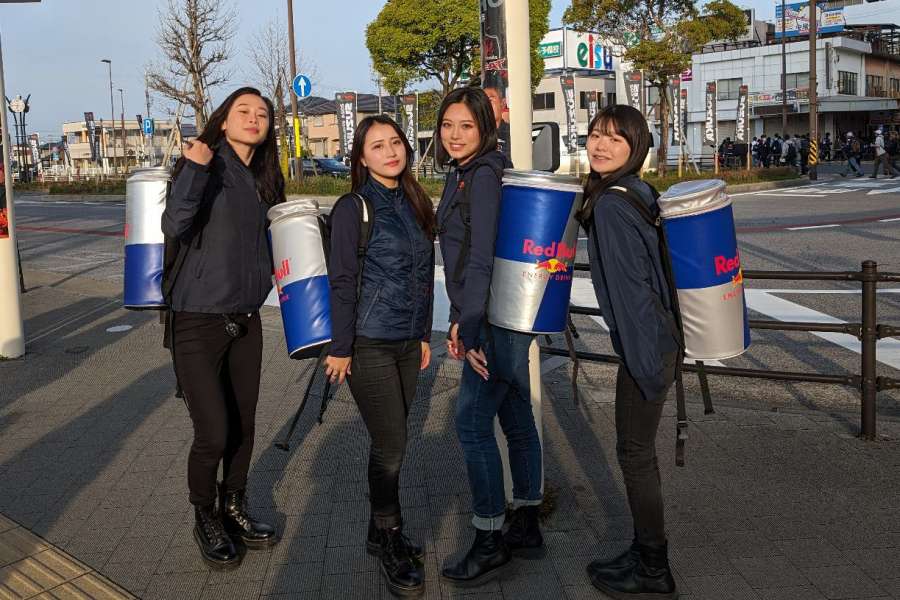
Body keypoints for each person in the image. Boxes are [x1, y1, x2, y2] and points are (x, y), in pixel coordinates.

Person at [161, 87, 282, 570]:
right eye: (243, 111)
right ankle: (204, 513)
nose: (254, 118)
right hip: (197, 318)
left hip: (247, 319)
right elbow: (175, 221)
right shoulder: (205, 165)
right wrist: (194, 166)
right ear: (223, 120)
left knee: (244, 426)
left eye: (263, 113)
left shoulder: (264, 178)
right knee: (212, 431)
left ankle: (235, 505)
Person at [435, 87, 544, 587]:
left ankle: (489, 535)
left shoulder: (482, 175)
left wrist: (469, 326)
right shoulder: (466, 172)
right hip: (499, 312)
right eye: (448, 125)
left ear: (486, 129)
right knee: (515, 413)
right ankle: (525, 521)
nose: (454, 135)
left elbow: (479, 258)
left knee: (471, 422)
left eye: (466, 127)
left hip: (494, 316)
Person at [325, 114, 435, 597]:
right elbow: (343, 280)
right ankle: (391, 537)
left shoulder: (414, 201)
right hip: (368, 342)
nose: (390, 152)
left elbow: (425, 273)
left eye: (396, 143)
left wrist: (424, 333)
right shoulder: (354, 207)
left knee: (391, 439)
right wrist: (341, 347)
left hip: (408, 342)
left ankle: (376, 528)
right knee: (393, 443)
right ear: (361, 158)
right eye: (377, 146)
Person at [579, 104, 679, 599]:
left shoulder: (614, 205)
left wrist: (642, 369)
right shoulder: (635, 189)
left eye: (615, 140)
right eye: (596, 135)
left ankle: (654, 571)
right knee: (638, 454)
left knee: (635, 455)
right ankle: (643, 551)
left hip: (646, 349)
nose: (600, 145)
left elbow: (632, 292)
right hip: (661, 341)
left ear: (635, 147)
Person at [483, 85, 511, 160]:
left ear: (503, 103)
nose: (486, 105)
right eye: (482, 102)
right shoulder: (477, 134)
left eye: (490, 100)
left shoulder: (511, 133)